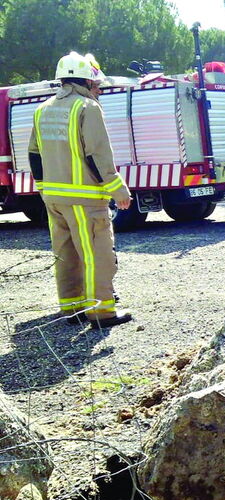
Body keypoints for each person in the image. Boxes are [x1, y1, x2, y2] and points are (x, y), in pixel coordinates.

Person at [28, 51, 134, 327]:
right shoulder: (87, 107)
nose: (99, 89)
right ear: (86, 82)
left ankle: (73, 309)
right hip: (85, 199)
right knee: (97, 255)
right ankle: (101, 312)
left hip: (53, 198)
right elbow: (96, 155)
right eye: (96, 84)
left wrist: (43, 188)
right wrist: (118, 190)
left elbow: (34, 155)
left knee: (66, 254)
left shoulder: (43, 109)